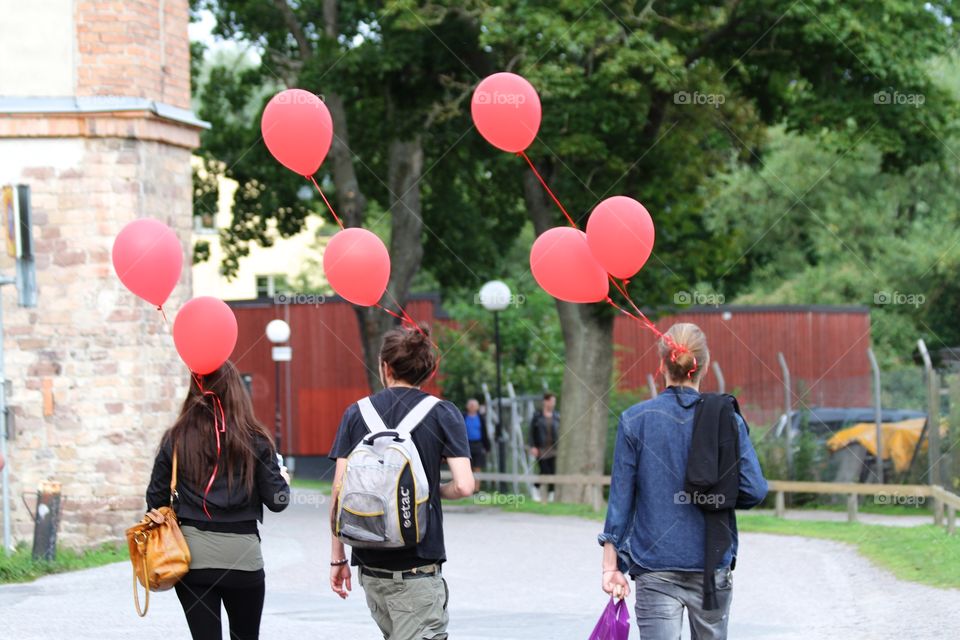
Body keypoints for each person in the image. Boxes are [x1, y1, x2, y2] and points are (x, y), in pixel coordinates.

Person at [598, 323, 767, 640]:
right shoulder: (726, 418)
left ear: (661, 365)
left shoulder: (636, 420)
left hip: (654, 564)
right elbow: (755, 489)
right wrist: (719, 496)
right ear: (702, 367)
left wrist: (611, 566)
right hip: (711, 563)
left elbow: (621, 499)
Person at [328, 324, 475, 640]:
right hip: (417, 569)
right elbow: (464, 485)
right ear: (428, 371)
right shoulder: (443, 413)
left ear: (385, 367)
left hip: (370, 568)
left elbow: (339, 490)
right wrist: (431, 491)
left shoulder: (356, 413)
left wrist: (337, 556)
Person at [145, 360, 291, 640]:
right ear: (237, 392)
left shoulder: (175, 439)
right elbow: (278, 501)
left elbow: (154, 500)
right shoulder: (257, 439)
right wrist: (282, 480)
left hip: (192, 562)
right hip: (243, 560)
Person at [529, 392, 559, 500]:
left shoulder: (557, 416)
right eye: (551, 401)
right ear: (545, 401)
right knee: (544, 471)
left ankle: (551, 494)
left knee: (553, 471)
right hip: (541, 448)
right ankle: (535, 489)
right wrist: (533, 446)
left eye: (554, 401)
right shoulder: (537, 416)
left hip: (554, 448)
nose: (553, 403)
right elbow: (531, 432)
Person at [463, 398, 490, 472]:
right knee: (468, 467)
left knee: (478, 467)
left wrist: (487, 447)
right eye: (470, 405)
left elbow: (485, 432)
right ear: (467, 406)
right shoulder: (463, 416)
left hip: (478, 445)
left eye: (473, 405)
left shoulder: (481, 418)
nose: (472, 407)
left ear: (477, 407)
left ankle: (477, 484)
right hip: (467, 445)